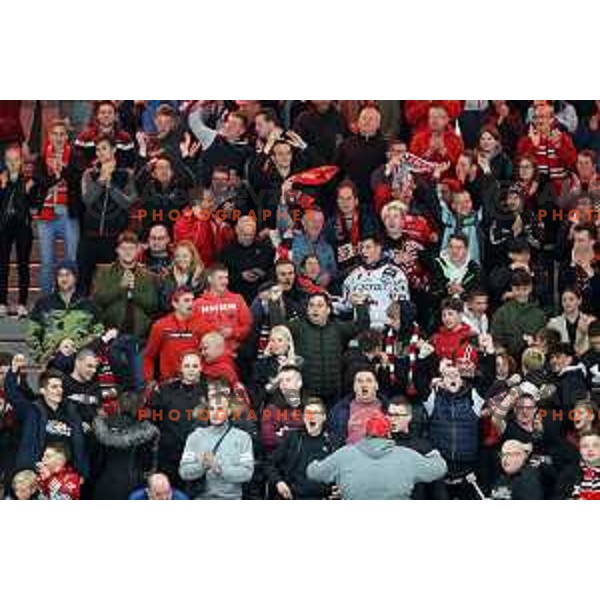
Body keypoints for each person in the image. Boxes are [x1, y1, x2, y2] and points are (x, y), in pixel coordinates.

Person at [306, 414, 447, 500]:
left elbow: (313, 472)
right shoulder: (407, 455)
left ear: (365, 433)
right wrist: (434, 454)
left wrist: (316, 462)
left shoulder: (344, 454)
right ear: (389, 434)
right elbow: (440, 468)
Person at [4, 354, 89, 479]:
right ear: (43, 390)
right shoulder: (32, 411)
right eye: (54, 387)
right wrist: (13, 371)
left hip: (66, 477)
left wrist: (81, 472)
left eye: (60, 387)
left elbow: (79, 445)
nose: (59, 390)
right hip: (38, 474)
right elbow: (12, 394)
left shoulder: (72, 412)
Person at [283, 291, 370, 405]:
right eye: (311, 305)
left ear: (328, 310)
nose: (315, 309)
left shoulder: (338, 327)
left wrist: (360, 304)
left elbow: (361, 326)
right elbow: (278, 328)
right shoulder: (298, 326)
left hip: (334, 393)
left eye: (320, 305)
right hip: (307, 393)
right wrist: (273, 303)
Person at [78, 135, 137, 293]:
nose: (100, 153)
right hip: (90, 236)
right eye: (97, 149)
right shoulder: (89, 174)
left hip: (114, 237)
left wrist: (111, 186)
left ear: (114, 150)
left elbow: (128, 201)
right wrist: (101, 181)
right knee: (84, 279)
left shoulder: (126, 174)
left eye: (104, 148)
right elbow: (87, 199)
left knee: (114, 282)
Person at [145, 351, 207, 489]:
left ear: (201, 368)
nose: (191, 369)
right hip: (169, 454)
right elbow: (152, 418)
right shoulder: (164, 390)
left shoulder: (207, 390)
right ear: (181, 368)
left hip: (198, 455)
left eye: (195, 366)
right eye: (187, 365)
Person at [34, 119, 82, 296]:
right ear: (49, 136)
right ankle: (47, 301)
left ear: (67, 137)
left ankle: (70, 299)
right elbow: (40, 181)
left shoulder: (75, 156)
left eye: (62, 134)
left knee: (71, 260)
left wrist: (63, 169)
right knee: (47, 262)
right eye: (55, 134)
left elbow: (76, 181)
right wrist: (56, 178)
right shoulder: (41, 157)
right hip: (46, 217)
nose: (59, 137)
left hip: (69, 214)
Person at [179, 392, 254, 500]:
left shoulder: (243, 437)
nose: (215, 413)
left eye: (220, 409)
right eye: (212, 409)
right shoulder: (195, 436)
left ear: (228, 412)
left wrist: (219, 468)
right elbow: (184, 471)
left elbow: (247, 474)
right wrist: (202, 467)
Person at [27, 262, 104, 367]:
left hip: (81, 360)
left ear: (75, 278)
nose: (64, 279)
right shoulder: (44, 304)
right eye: (60, 275)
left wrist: (75, 346)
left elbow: (98, 333)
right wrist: (41, 358)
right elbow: (32, 334)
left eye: (68, 275)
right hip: (52, 359)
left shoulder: (88, 305)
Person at [92, 231, 159, 341]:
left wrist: (133, 290)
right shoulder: (103, 271)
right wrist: (120, 287)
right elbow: (97, 299)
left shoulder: (149, 276)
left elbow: (152, 305)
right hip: (111, 333)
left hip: (139, 336)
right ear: (117, 250)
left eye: (131, 248)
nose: (128, 252)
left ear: (138, 250)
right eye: (124, 249)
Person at [92, 391, 159, 500]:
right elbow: (148, 464)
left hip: (104, 481)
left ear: (118, 405)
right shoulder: (146, 431)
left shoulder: (103, 425)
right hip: (133, 483)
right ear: (139, 408)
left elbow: (96, 459)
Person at [265, 398, 334, 499]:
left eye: (316, 413)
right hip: (294, 496)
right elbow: (269, 463)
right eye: (308, 413)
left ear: (324, 417)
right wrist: (278, 482)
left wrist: (341, 488)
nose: (311, 416)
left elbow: (344, 472)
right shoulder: (292, 437)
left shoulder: (332, 442)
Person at [339, 235, 410, 331]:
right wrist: (331, 302)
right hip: (360, 330)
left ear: (378, 248)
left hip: (386, 329)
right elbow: (345, 305)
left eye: (368, 247)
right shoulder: (353, 275)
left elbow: (403, 304)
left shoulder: (395, 273)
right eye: (361, 248)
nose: (363, 251)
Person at [0, 143, 38, 317]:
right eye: (9, 160)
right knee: (3, 264)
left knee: (23, 264)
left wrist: (28, 191)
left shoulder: (28, 180)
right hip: (4, 226)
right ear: (5, 162)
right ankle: (2, 302)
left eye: (16, 160)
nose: (13, 164)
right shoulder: (1, 180)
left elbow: (34, 206)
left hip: (22, 227)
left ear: (21, 161)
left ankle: (22, 303)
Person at [143, 287, 209, 384]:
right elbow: (149, 357)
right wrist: (149, 380)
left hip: (195, 381)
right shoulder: (160, 326)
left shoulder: (202, 325)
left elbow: (210, 354)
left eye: (192, 300)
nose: (191, 304)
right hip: (169, 382)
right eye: (186, 300)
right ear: (175, 304)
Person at [192, 264, 253, 353]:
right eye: (220, 278)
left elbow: (248, 327)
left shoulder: (237, 299)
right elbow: (194, 329)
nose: (225, 281)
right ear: (210, 279)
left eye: (226, 277)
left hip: (235, 353)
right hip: (207, 354)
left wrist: (232, 332)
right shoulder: (198, 304)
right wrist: (213, 332)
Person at [334, 105, 387, 203]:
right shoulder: (345, 145)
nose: (367, 121)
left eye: (371, 119)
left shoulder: (386, 147)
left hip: (376, 200)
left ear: (378, 124)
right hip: (350, 200)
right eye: (364, 118)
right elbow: (336, 173)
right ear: (358, 122)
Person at [490, 270, 547, 357]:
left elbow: (543, 341)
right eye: (517, 289)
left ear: (531, 288)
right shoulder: (502, 312)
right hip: (508, 359)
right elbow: (496, 339)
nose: (521, 293)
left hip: (532, 359)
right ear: (512, 288)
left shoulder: (540, 315)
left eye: (525, 289)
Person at [219, 216, 274, 304]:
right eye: (244, 235)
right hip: (236, 296)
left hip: (261, 296)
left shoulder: (266, 250)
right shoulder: (227, 252)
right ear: (237, 231)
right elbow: (221, 278)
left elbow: (272, 272)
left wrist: (262, 274)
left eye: (251, 235)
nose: (248, 238)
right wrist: (241, 276)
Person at [329, 369, 385, 447]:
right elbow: (334, 437)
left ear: (376, 386)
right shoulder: (339, 409)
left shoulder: (388, 408)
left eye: (369, 381)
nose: (364, 385)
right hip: (350, 454)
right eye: (359, 381)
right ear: (354, 387)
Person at [74, 100, 135, 170]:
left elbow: (130, 165)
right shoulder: (84, 137)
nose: (106, 115)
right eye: (103, 113)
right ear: (97, 115)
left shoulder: (125, 138)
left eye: (110, 113)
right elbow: (77, 165)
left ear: (115, 116)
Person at [430, 232, 481, 309]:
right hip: (442, 312)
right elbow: (431, 296)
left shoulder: (474, 269)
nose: (454, 251)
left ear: (466, 249)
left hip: (468, 314)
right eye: (451, 247)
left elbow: (480, 299)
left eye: (459, 248)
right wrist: (446, 290)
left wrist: (463, 293)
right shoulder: (437, 265)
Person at [291, 208, 338, 287]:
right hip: (297, 288)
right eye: (312, 221)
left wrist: (329, 276)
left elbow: (334, 271)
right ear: (303, 222)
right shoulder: (292, 243)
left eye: (320, 221)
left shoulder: (327, 247)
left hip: (321, 291)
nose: (316, 225)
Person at [158, 240, 206, 313]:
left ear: (192, 257)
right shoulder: (167, 275)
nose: (181, 260)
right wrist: (177, 283)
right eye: (177, 256)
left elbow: (199, 302)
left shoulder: (200, 275)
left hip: (195, 316)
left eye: (185, 256)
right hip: (172, 315)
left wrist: (191, 285)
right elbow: (165, 305)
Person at [555, 428, 600, 499]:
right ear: (580, 450)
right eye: (585, 446)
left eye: (595, 445)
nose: (590, 449)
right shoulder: (569, 472)